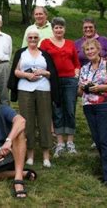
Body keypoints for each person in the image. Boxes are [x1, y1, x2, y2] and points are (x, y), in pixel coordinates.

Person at [8, 29, 61, 168]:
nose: (32, 39)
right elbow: (16, 71)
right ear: (27, 38)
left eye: (35, 37)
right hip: (25, 89)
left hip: (43, 88)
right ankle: (29, 154)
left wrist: (43, 72)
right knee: (27, 121)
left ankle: (46, 156)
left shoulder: (45, 54)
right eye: (30, 37)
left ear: (38, 39)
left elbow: (52, 73)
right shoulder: (21, 53)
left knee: (44, 120)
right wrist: (27, 75)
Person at [78, 39, 107, 188]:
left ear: (99, 49)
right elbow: (79, 91)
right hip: (88, 106)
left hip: (105, 105)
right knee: (97, 139)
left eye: (92, 49)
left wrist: (101, 87)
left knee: (106, 139)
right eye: (87, 50)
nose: (90, 52)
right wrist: (83, 87)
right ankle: (105, 171)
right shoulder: (84, 68)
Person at [39, 17, 81, 157]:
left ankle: (70, 142)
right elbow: (41, 60)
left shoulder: (70, 43)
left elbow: (76, 62)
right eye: (56, 27)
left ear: (64, 29)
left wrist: (76, 74)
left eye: (61, 27)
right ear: (52, 29)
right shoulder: (45, 43)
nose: (59, 30)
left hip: (70, 80)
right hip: (53, 80)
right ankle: (60, 143)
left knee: (70, 109)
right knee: (57, 110)